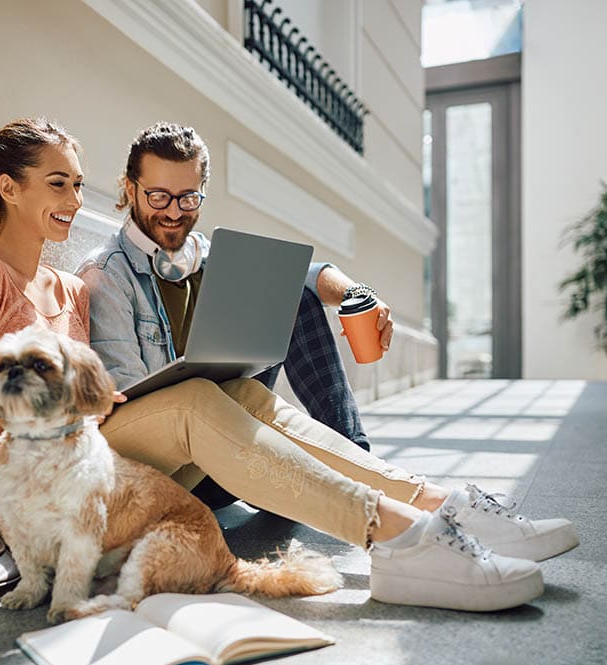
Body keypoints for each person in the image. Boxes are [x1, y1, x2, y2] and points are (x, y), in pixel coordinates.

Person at [0, 118, 578, 613]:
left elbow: (97, 395)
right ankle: (400, 538)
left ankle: (431, 505)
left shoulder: (68, 288)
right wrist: (47, 414)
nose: (74, 196)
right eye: (57, 182)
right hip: (6, 480)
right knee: (197, 402)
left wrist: (91, 406)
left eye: (76, 182)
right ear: (8, 188)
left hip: (88, 460)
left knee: (240, 388)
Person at [77, 122, 385, 454]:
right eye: (159, 196)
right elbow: (136, 412)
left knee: (295, 294)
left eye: (188, 198)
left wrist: (359, 295)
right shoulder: (106, 274)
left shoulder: (204, 254)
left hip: (236, 427)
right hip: (181, 449)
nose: (173, 211)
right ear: (130, 188)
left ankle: (356, 453)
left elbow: (297, 275)